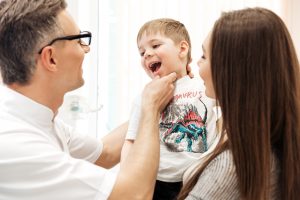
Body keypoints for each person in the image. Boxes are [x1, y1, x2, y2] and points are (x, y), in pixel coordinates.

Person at [0, 0, 178, 199]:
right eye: (79, 40)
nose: (86, 49)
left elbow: (107, 153)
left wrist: (168, 95)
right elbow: (134, 195)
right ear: (51, 58)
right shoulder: (16, 143)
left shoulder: (42, 120)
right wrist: (151, 108)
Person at [177, 7, 300, 200]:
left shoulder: (230, 168)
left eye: (204, 56)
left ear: (232, 74)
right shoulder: (277, 148)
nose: (196, 65)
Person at [120, 18, 218, 200]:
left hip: (197, 177)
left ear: (182, 49)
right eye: (141, 52)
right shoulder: (144, 96)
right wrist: (126, 175)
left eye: (155, 46)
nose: (147, 54)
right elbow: (131, 140)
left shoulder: (205, 88)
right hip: (156, 181)